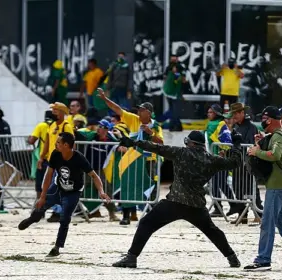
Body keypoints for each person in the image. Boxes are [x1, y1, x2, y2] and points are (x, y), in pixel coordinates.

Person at [112, 130, 244, 268]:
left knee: (146, 223)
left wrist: (133, 142)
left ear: (190, 143)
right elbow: (234, 162)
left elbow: (156, 147)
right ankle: (232, 258)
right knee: (213, 231)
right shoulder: (212, 159)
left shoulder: (181, 153)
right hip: (196, 205)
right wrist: (236, 144)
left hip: (175, 202)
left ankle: (131, 257)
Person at [18, 132, 110, 257]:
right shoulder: (55, 154)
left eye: (58, 142)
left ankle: (57, 247)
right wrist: (43, 196)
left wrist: (101, 192)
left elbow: (94, 176)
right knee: (40, 206)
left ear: (66, 145)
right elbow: (49, 175)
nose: (55, 144)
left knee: (65, 219)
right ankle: (33, 218)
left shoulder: (79, 158)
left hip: (73, 192)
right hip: (57, 187)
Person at [244, 106, 282, 271]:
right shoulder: (280, 134)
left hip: (278, 186)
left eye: (263, 119)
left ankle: (263, 259)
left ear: (269, 119)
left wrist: (256, 152)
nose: (262, 122)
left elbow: (275, 155)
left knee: (267, 222)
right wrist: (260, 143)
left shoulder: (278, 135)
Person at [224, 103, 263, 222]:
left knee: (252, 188)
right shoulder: (235, 127)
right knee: (237, 189)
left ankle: (259, 214)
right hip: (237, 163)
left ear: (242, 113)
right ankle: (243, 215)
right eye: (233, 113)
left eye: (236, 113)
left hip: (248, 163)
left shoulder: (251, 127)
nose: (234, 116)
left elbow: (249, 144)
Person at [37, 102, 74, 223]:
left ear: (62, 112)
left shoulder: (66, 126)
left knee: (55, 187)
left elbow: (72, 144)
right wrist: (41, 157)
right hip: (51, 161)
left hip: (62, 161)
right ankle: (54, 211)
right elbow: (47, 142)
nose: (53, 112)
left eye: (55, 110)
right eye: (52, 110)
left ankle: (54, 211)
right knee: (49, 186)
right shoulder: (51, 125)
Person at [204, 104, 235, 217]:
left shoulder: (220, 124)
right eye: (208, 112)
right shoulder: (213, 124)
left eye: (211, 112)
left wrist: (224, 151)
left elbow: (226, 141)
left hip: (220, 160)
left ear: (216, 113)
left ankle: (231, 205)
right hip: (213, 159)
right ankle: (223, 206)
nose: (208, 114)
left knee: (220, 184)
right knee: (217, 184)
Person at [28, 110, 54, 199]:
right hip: (56, 159)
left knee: (40, 185)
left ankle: (39, 206)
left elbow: (31, 141)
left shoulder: (41, 125)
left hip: (43, 160)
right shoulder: (57, 126)